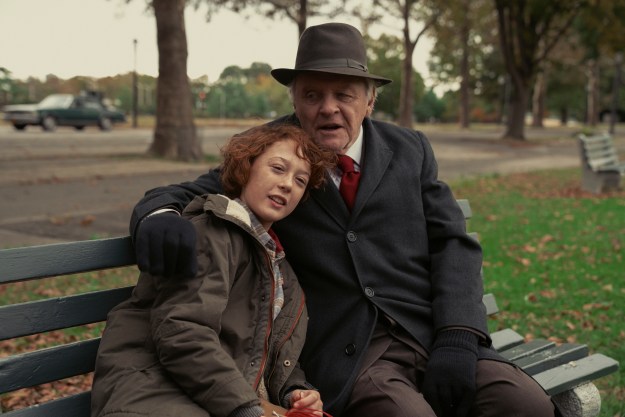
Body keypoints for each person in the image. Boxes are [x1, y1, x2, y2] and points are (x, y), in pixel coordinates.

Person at [128, 23, 557, 417]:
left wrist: (458, 336)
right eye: (312, 95)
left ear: (370, 100)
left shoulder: (410, 149)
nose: (328, 108)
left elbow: (452, 242)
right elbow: (184, 193)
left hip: (428, 334)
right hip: (349, 354)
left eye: (344, 94)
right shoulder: (271, 153)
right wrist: (159, 214)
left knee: (527, 404)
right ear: (295, 99)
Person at [91, 124, 335, 417]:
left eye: (300, 180)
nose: (287, 184)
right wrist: (245, 409)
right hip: (153, 393)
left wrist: (294, 391)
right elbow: (182, 333)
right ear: (246, 168)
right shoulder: (213, 232)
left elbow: (270, 351)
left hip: (211, 398)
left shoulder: (280, 268)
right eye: (278, 168)